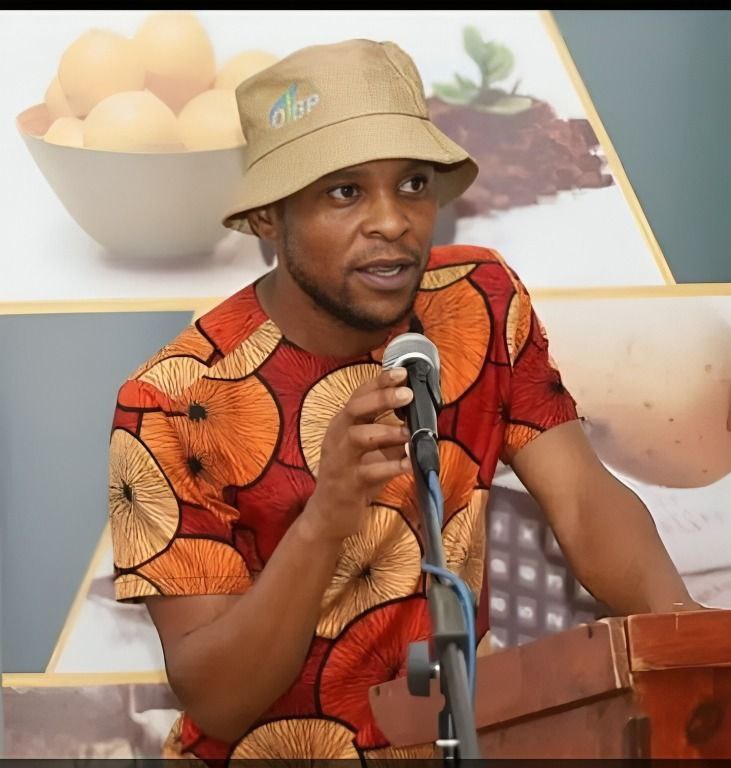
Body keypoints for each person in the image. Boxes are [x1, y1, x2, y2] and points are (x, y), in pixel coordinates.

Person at [107, 38, 701, 760]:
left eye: (413, 184)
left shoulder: (479, 301)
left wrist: (687, 637)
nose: (392, 221)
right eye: (345, 191)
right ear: (267, 216)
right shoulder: (173, 401)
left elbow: (581, 501)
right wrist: (325, 518)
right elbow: (219, 701)